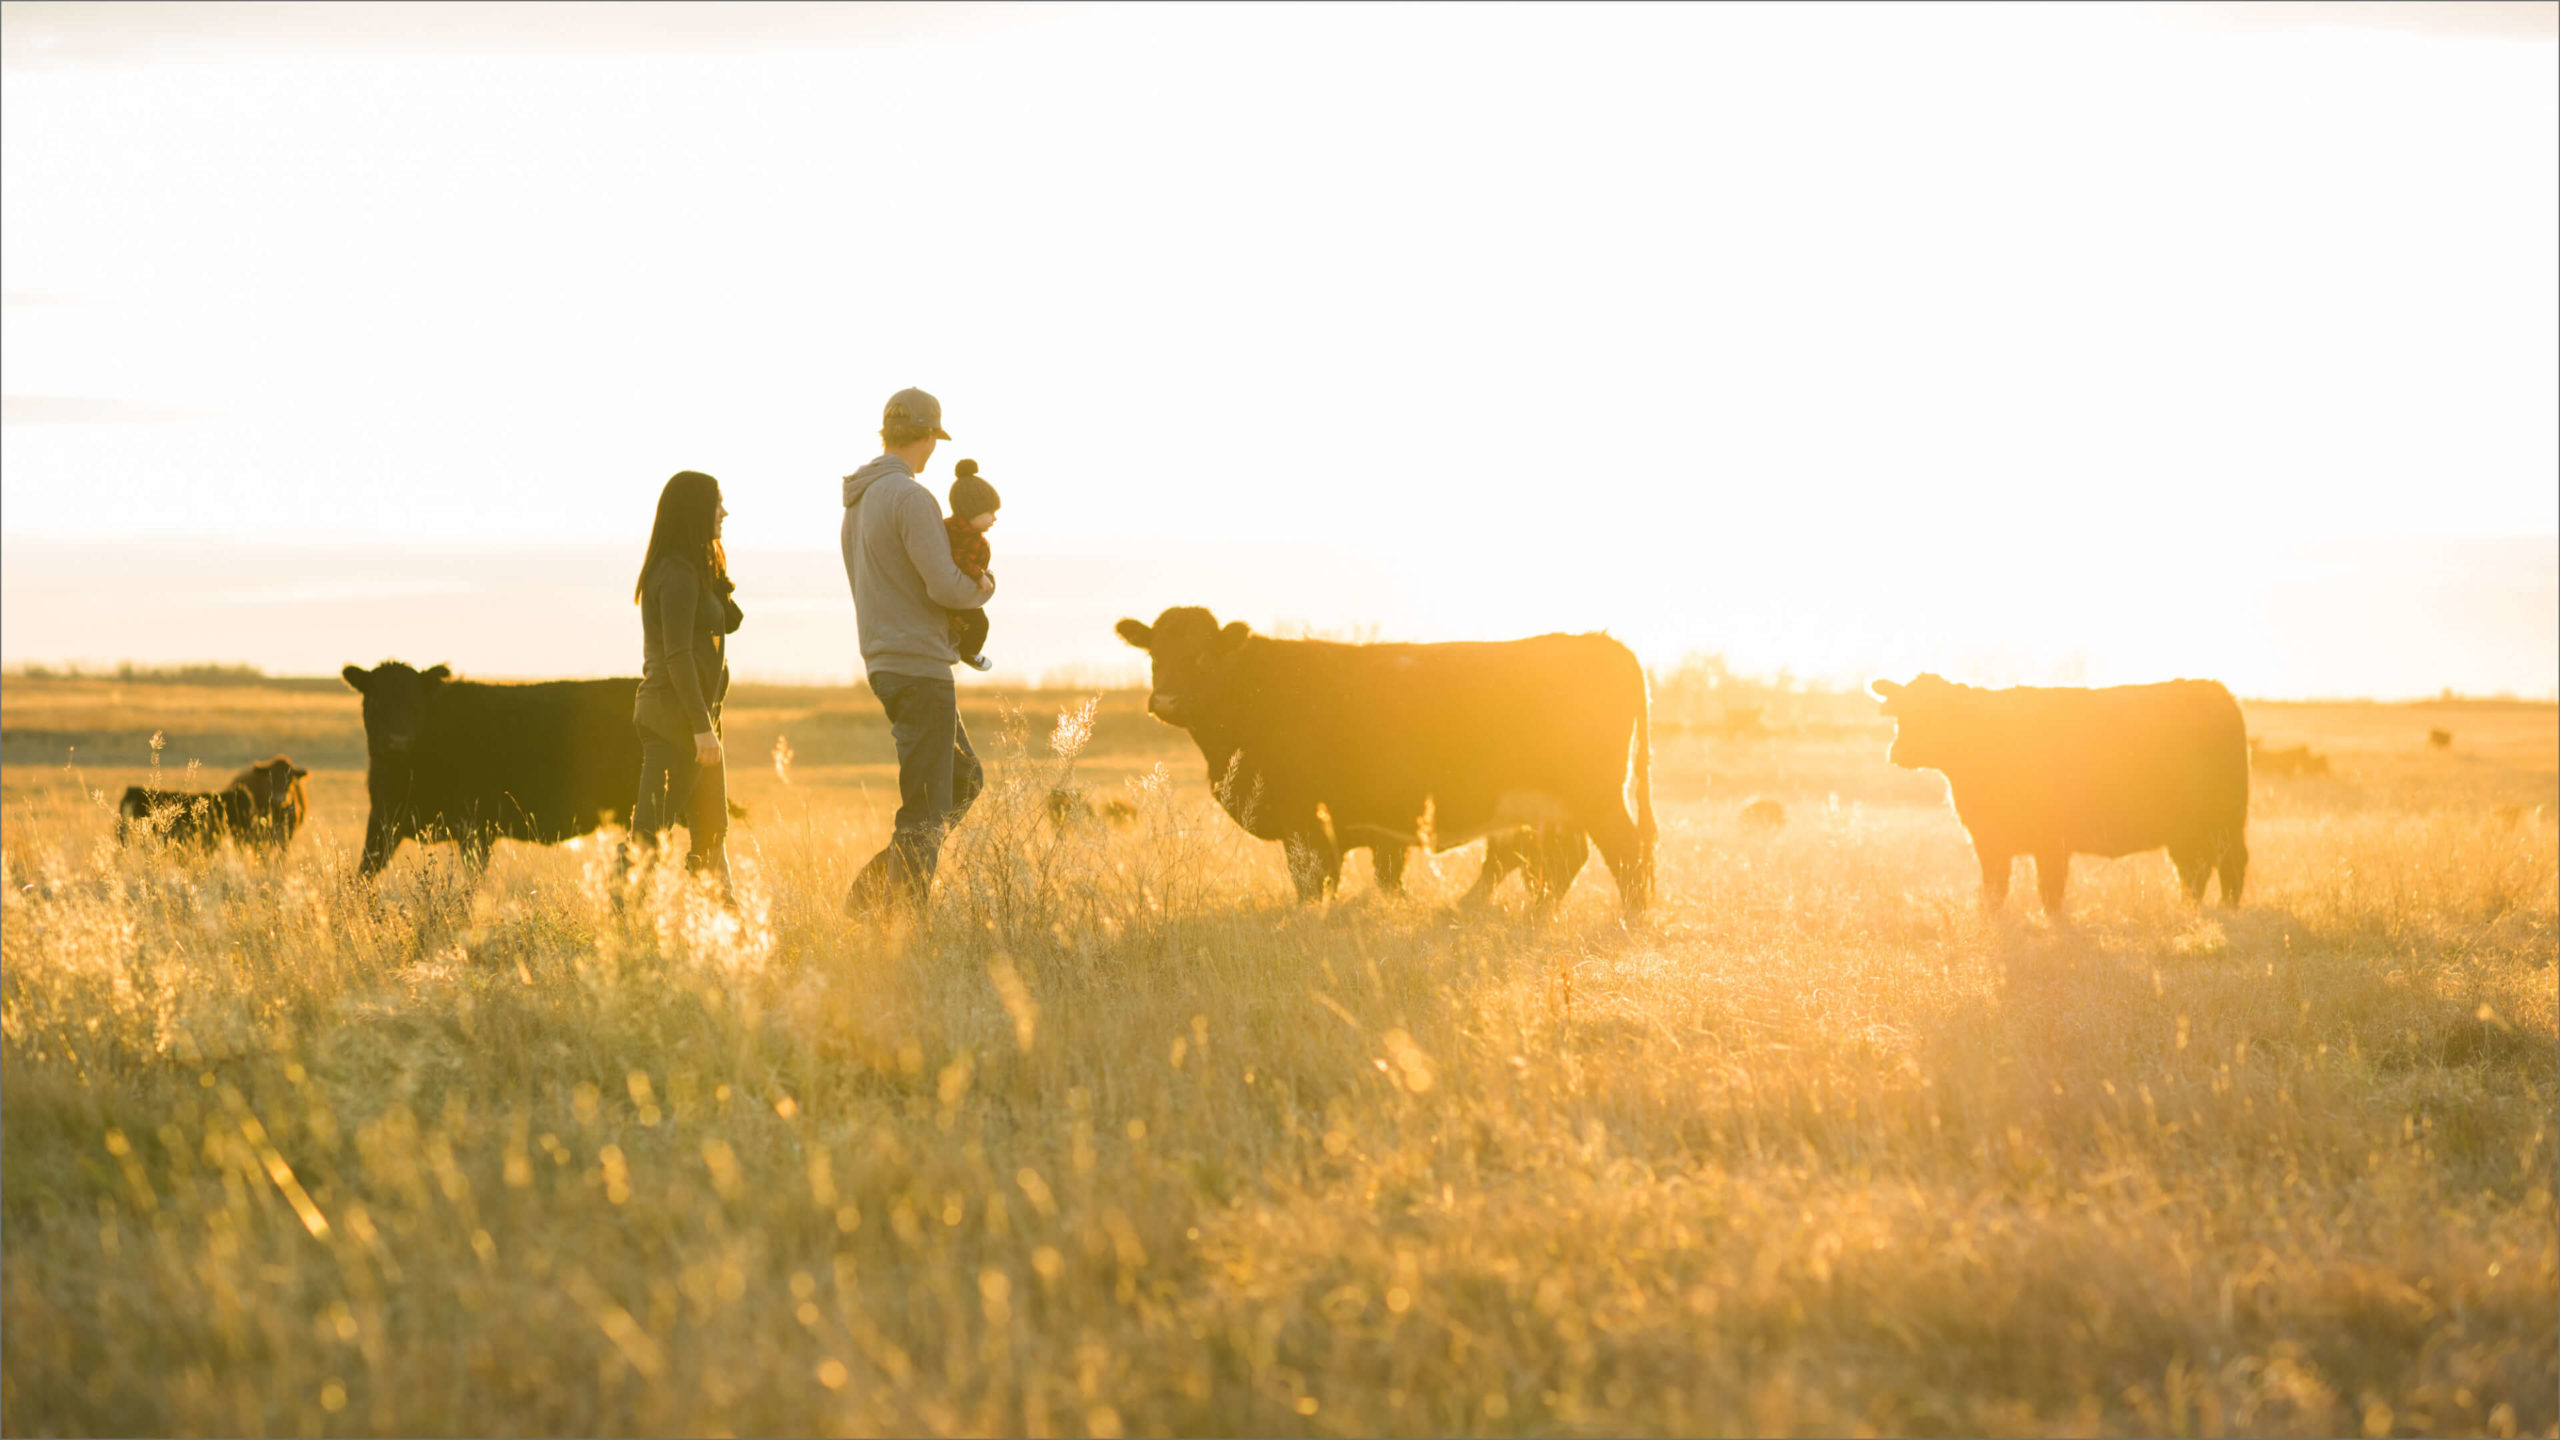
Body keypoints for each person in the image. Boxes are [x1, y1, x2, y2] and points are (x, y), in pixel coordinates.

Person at [839, 387, 995, 918]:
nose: (934, 453)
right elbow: (947, 587)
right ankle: (896, 921)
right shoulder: (910, 497)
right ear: (927, 437)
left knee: (964, 780)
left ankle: (874, 896)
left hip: (886, 660)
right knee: (927, 809)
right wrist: (985, 586)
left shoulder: (859, 500)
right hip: (919, 667)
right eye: (934, 441)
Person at [631, 469, 743, 896]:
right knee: (649, 836)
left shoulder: (692, 568)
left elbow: (726, 623)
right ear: (696, 509)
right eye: (717, 504)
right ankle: (623, 929)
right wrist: (700, 727)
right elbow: (677, 655)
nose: (725, 512)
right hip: (674, 721)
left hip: (698, 723)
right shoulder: (675, 574)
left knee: (712, 831)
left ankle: (724, 937)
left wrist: (713, 569)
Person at [943, 458, 1002, 672]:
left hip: (959, 593)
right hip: (959, 593)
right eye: (990, 513)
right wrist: (980, 576)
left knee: (970, 623)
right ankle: (968, 651)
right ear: (972, 511)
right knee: (979, 624)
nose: (994, 518)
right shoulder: (961, 535)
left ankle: (964, 647)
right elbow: (960, 558)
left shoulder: (964, 532)